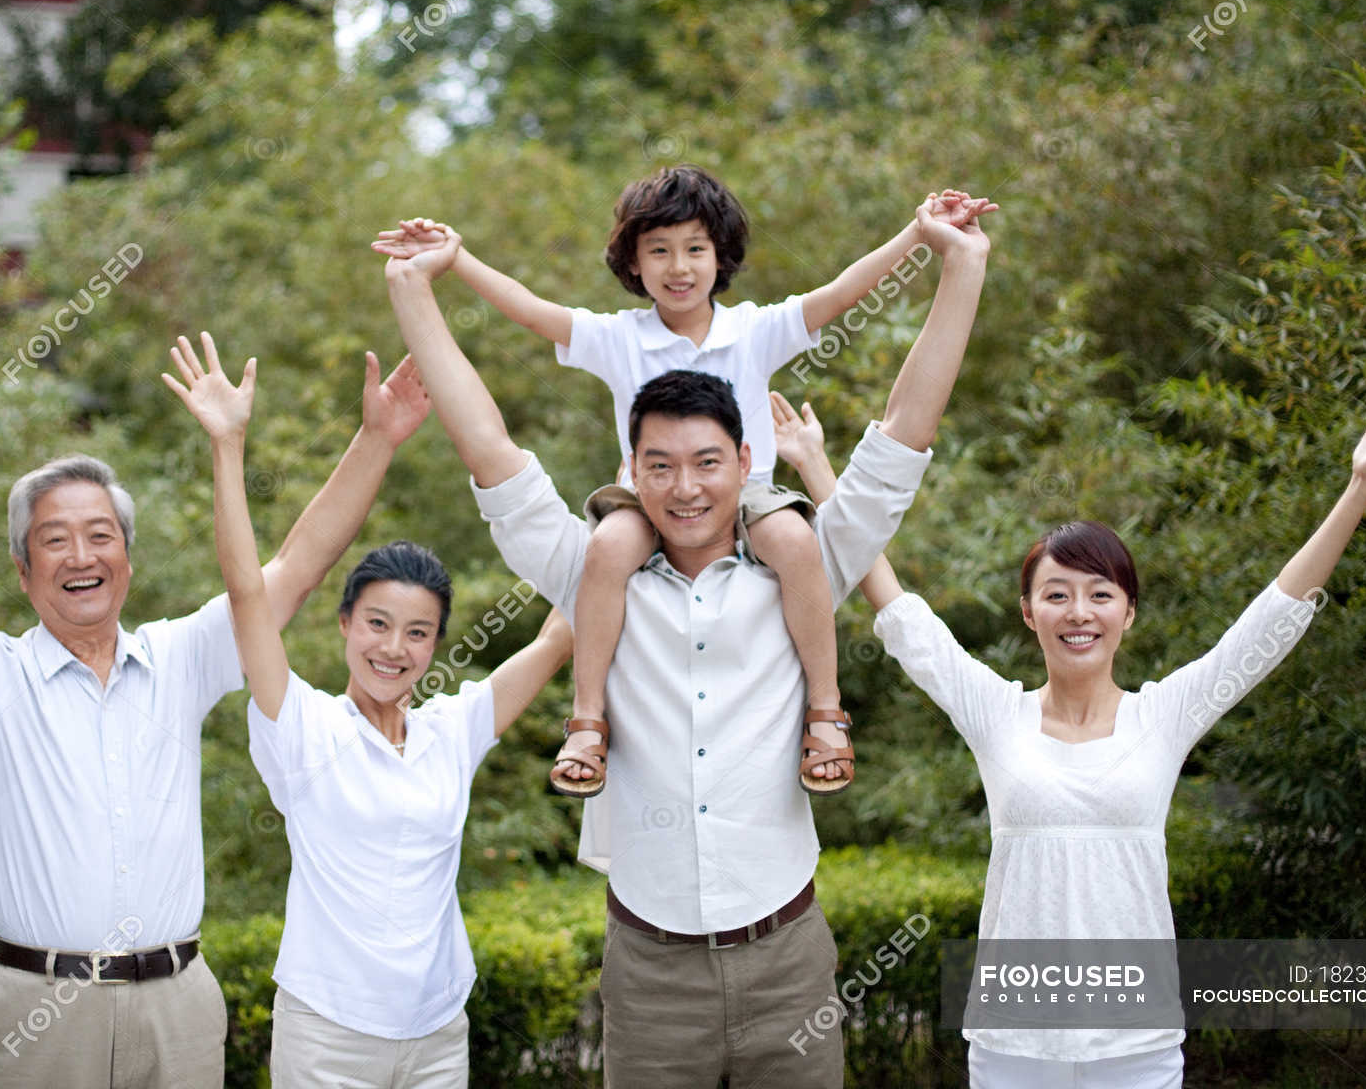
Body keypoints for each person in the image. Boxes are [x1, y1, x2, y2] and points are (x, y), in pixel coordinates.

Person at [378, 195, 991, 1088]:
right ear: (630, 472)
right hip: (649, 972)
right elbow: (490, 449)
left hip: (789, 960)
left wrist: (959, 266)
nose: (685, 487)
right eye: (658, 466)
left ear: (747, 465)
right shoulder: (596, 577)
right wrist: (416, 292)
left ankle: (832, 712)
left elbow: (904, 434)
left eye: (707, 463)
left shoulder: (803, 568)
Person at [0, 344, 429, 1087]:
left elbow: (300, 564)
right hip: (37, 1016)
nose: (81, 555)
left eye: (100, 535)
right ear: (23, 571)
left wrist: (378, 436)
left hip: (177, 1011)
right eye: (54, 540)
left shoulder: (181, 658)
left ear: (128, 562)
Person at [768, 378, 1366, 1089]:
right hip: (1013, 1048)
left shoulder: (1163, 718)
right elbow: (895, 607)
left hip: (1136, 1047)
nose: (1080, 612)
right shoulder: (995, 713)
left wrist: (1360, 483)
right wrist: (815, 467)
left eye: (1101, 594)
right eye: (1057, 594)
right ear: (1028, 612)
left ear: (1128, 612)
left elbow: (1271, 621)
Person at [372, 170, 995, 798]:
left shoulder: (754, 329)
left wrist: (918, 236)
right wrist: (457, 261)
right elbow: (532, 312)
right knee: (608, 548)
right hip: (643, 497)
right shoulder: (619, 337)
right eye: (659, 250)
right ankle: (587, 718)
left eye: (695, 248)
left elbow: (841, 293)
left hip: (749, 495)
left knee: (797, 541)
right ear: (633, 263)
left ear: (720, 255)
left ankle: (826, 708)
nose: (679, 267)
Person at [161, 332, 573, 1088]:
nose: (395, 648)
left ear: (437, 644)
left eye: (418, 633)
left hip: (438, 1033)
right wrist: (229, 447)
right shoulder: (302, 724)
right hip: (328, 1036)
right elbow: (251, 591)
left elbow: (560, 634)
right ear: (345, 625)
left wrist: (636, 519)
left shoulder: (452, 730)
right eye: (378, 624)